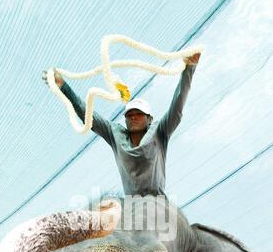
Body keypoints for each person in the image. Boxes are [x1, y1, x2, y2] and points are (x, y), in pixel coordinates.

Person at [42, 53, 200, 197]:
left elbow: (177, 107)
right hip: (133, 208)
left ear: (149, 118)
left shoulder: (160, 130)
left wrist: (189, 69)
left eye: (139, 114)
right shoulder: (115, 134)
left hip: (158, 204)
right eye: (129, 115)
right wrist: (63, 87)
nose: (133, 117)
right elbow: (88, 115)